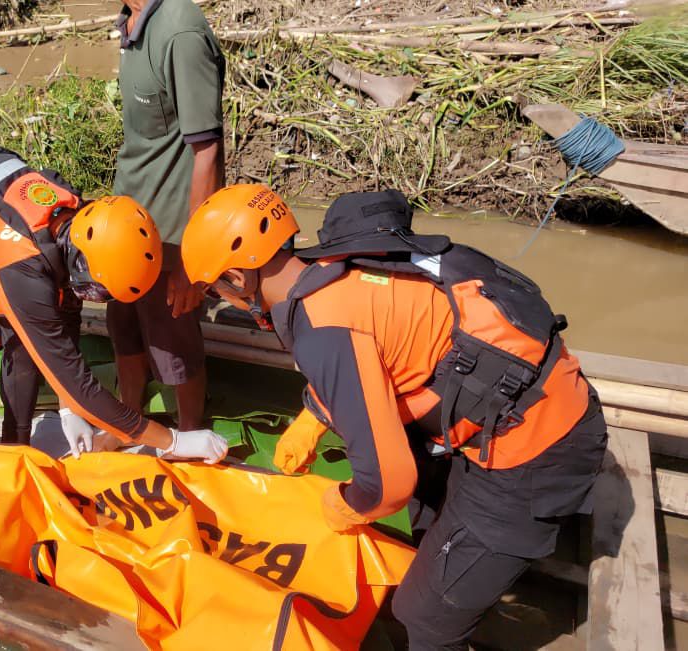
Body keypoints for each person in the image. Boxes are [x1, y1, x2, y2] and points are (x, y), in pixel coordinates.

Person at [180, 185, 607, 650]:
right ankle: (455, 568)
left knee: (421, 617)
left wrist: (342, 507)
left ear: (239, 279)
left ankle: (453, 599)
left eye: (214, 286)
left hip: (535, 449)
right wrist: (313, 418)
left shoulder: (320, 329)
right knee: (424, 523)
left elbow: (386, 485)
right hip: (537, 396)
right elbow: (386, 354)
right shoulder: (339, 266)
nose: (219, 295)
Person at [0, 145, 228, 462]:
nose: (90, 300)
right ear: (83, 264)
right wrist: (175, 440)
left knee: (24, 346)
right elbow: (80, 383)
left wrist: (67, 408)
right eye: (96, 293)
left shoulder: (74, 226)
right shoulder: (22, 267)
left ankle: (15, 450)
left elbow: (62, 328)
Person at [110, 0, 226, 432]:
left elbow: (207, 151)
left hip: (173, 226)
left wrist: (193, 259)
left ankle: (193, 432)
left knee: (172, 332)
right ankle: (129, 420)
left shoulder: (180, 32)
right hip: (127, 219)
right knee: (121, 320)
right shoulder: (129, 18)